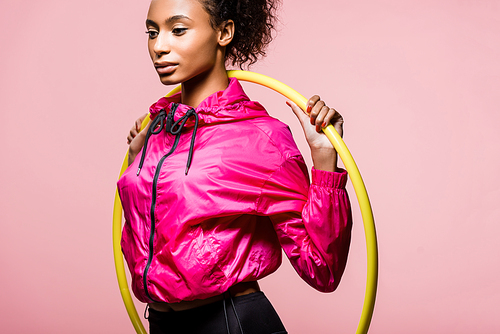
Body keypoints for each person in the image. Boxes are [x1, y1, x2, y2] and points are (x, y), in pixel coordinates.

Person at [118, 0, 353, 333]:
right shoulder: (156, 131)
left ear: (224, 32)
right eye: (152, 32)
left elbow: (322, 269)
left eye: (178, 30)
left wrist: (325, 160)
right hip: (162, 323)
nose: (159, 46)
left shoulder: (260, 138)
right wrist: (137, 160)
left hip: (230, 323)